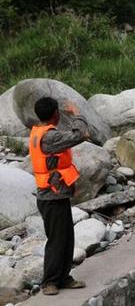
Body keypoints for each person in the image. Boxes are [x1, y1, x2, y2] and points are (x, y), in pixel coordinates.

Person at [29, 97, 89, 295]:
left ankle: (64, 277)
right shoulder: (50, 137)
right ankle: (50, 282)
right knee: (56, 240)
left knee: (66, 238)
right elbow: (79, 135)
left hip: (55, 195)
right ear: (55, 114)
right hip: (50, 198)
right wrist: (76, 114)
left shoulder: (39, 132)